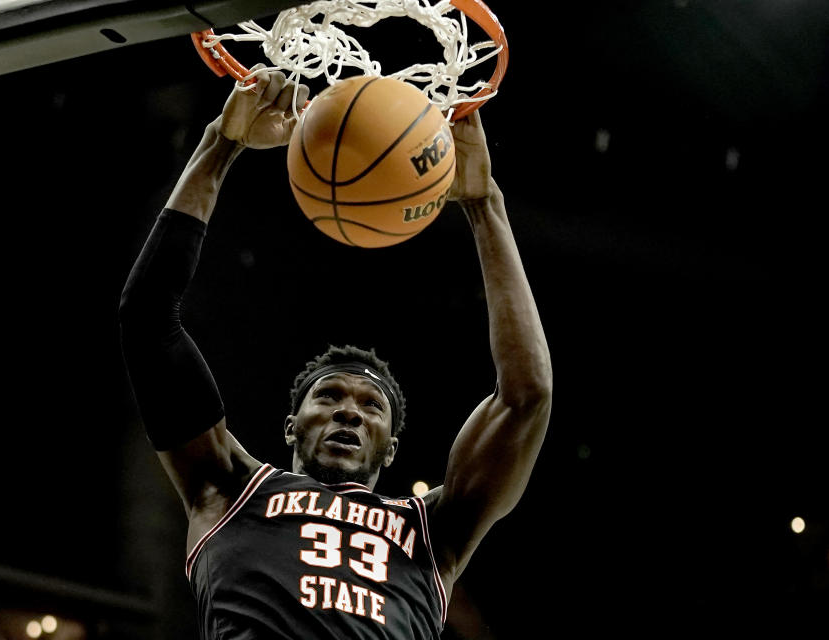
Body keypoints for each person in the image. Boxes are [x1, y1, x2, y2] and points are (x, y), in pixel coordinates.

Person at [118, 69, 552, 639]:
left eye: (372, 406)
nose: (351, 411)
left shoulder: (433, 531)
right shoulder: (228, 487)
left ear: (392, 447)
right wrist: (219, 146)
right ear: (291, 425)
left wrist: (484, 206)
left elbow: (526, 396)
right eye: (329, 396)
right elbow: (148, 317)